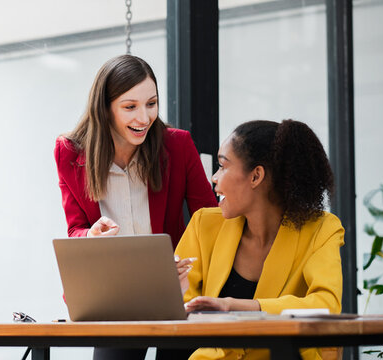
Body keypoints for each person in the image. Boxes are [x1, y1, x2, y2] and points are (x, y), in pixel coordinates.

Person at [54, 54, 217, 360]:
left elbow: (209, 220)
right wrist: (91, 236)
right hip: (115, 298)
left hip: (177, 294)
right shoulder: (70, 152)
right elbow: (75, 229)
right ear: (105, 108)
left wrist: (188, 262)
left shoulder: (177, 146)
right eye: (130, 107)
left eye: (151, 104)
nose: (144, 118)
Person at [175, 119, 344, 360]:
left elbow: (326, 305)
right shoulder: (204, 224)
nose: (214, 177)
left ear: (256, 176)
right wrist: (173, 290)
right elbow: (182, 307)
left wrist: (235, 306)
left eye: (223, 166)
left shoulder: (321, 229)